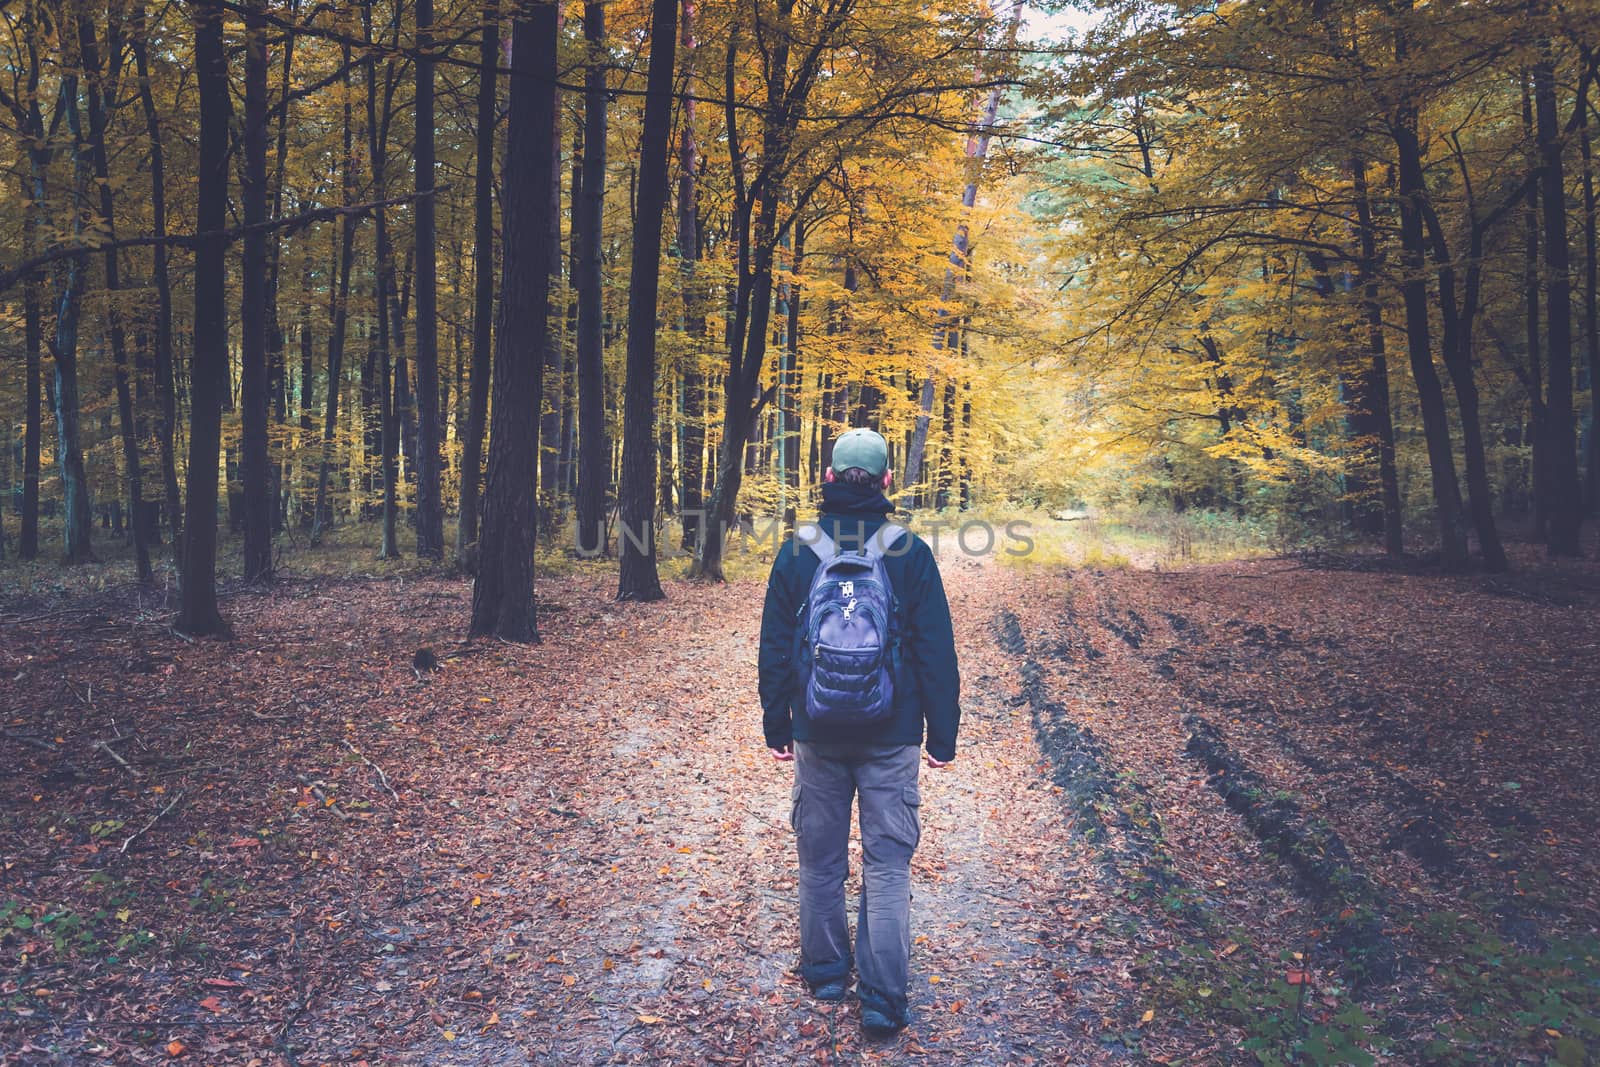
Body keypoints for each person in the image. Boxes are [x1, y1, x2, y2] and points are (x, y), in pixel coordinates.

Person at [758, 427, 961, 1037]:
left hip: (816, 729)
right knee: (888, 865)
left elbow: (774, 645)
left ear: (827, 479)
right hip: (893, 732)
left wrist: (778, 721)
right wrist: (941, 736)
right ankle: (881, 999)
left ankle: (824, 973)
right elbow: (935, 650)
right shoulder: (909, 551)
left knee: (819, 860)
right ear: (887, 482)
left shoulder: (799, 549)